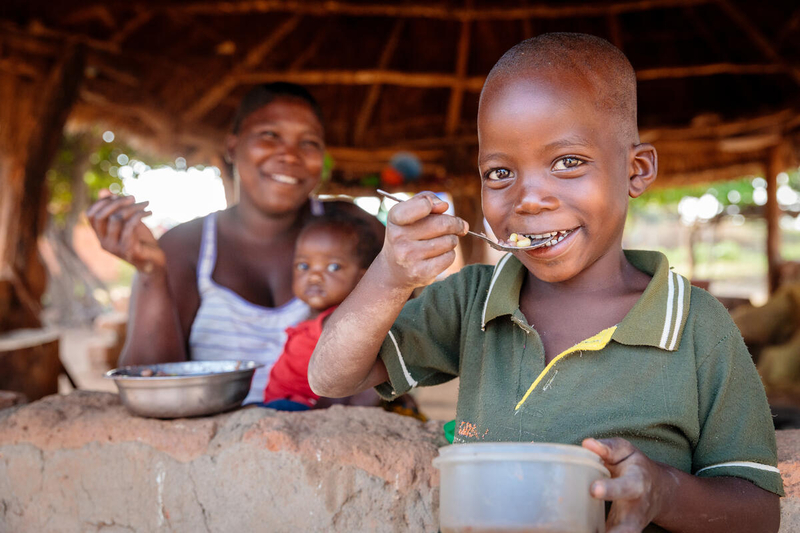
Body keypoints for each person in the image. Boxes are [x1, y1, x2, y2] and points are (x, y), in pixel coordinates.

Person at [308, 33, 782, 532]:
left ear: (635, 170)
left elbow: (758, 511)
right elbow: (331, 377)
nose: (529, 198)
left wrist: (664, 491)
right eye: (499, 172)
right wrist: (388, 275)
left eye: (568, 162)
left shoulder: (695, 328)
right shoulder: (473, 302)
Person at [86, 82, 382, 404]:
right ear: (233, 146)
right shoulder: (186, 247)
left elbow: (397, 344)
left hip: (337, 443)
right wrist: (149, 273)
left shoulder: (353, 231)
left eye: (308, 142)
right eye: (270, 135)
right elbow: (150, 383)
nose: (290, 155)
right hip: (217, 448)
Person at [263, 212, 381, 410]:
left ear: (363, 278)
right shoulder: (312, 317)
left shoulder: (339, 323)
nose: (314, 277)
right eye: (303, 266)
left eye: (333, 267)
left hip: (304, 410)